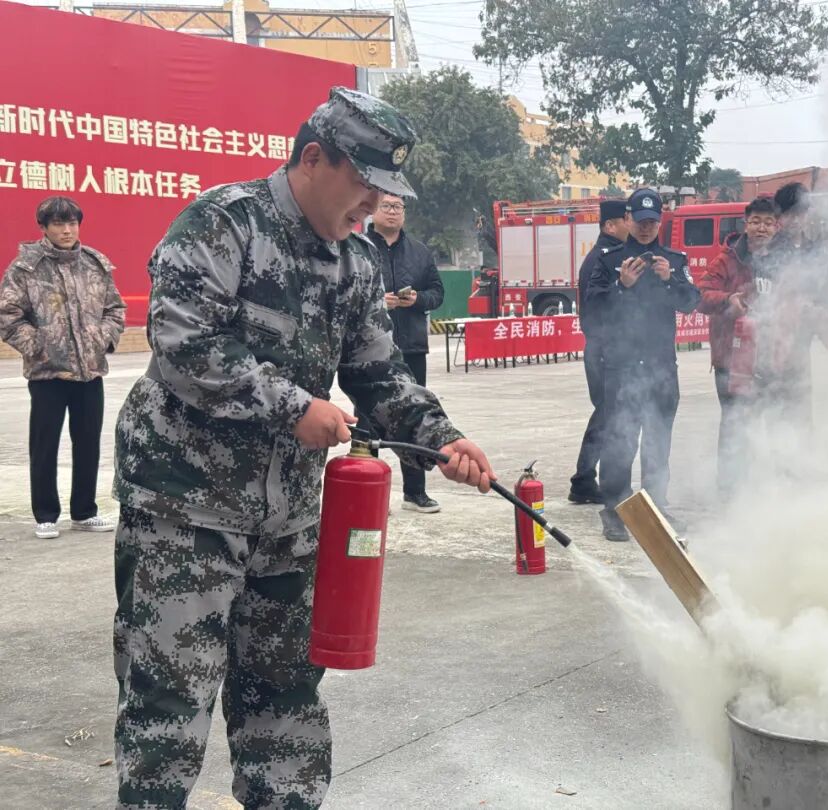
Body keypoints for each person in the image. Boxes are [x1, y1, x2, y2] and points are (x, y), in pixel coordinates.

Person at [110, 87, 495, 809]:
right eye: (364, 184)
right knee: (168, 704)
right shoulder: (224, 224)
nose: (372, 204)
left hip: (285, 518)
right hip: (183, 509)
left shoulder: (354, 264)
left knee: (284, 697)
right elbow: (183, 342)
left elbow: (380, 375)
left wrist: (441, 441)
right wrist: (293, 407)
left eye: (385, 190)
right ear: (313, 158)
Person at [699, 195, 828, 497]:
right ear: (746, 223)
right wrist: (729, 300)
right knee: (736, 425)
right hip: (733, 361)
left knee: (780, 423)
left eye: (768, 222)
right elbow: (702, 295)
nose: (761, 227)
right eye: (755, 221)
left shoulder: (788, 263)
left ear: (776, 226)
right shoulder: (727, 260)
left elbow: (809, 301)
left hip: (775, 359)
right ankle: (731, 493)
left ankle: (776, 491)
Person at [0, 196, 126, 539]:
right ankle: (45, 514)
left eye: (71, 223)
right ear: (43, 228)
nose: (66, 230)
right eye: (58, 224)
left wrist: (102, 338)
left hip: (90, 371)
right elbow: (8, 316)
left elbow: (115, 309)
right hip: (48, 374)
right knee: (45, 445)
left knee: (88, 442)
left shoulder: (95, 264)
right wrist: (40, 346)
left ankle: (84, 511)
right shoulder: (26, 268)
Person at [587, 188, 701, 541]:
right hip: (621, 367)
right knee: (620, 440)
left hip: (661, 367)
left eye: (653, 221)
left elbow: (691, 302)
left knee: (658, 439)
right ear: (628, 220)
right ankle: (616, 509)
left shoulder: (675, 261)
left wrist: (670, 279)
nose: (646, 227)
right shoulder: (608, 261)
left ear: (660, 220)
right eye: (640, 220)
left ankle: (655, 504)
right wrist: (622, 285)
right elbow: (592, 307)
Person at [368, 193, 445, 513]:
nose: (392, 212)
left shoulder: (419, 252)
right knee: (366, 418)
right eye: (385, 206)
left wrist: (418, 300)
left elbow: (437, 293)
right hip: (370, 345)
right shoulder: (358, 247)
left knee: (415, 414)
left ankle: (415, 492)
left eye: (398, 207)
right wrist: (376, 302)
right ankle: (369, 490)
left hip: (411, 347)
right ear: (373, 210)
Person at [568, 197, 630, 505]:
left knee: (607, 413)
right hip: (604, 348)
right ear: (610, 225)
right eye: (626, 220)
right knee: (607, 414)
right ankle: (584, 480)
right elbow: (598, 308)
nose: (631, 225)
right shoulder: (602, 259)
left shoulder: (609, 254)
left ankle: (585, 478)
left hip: (605, 346)